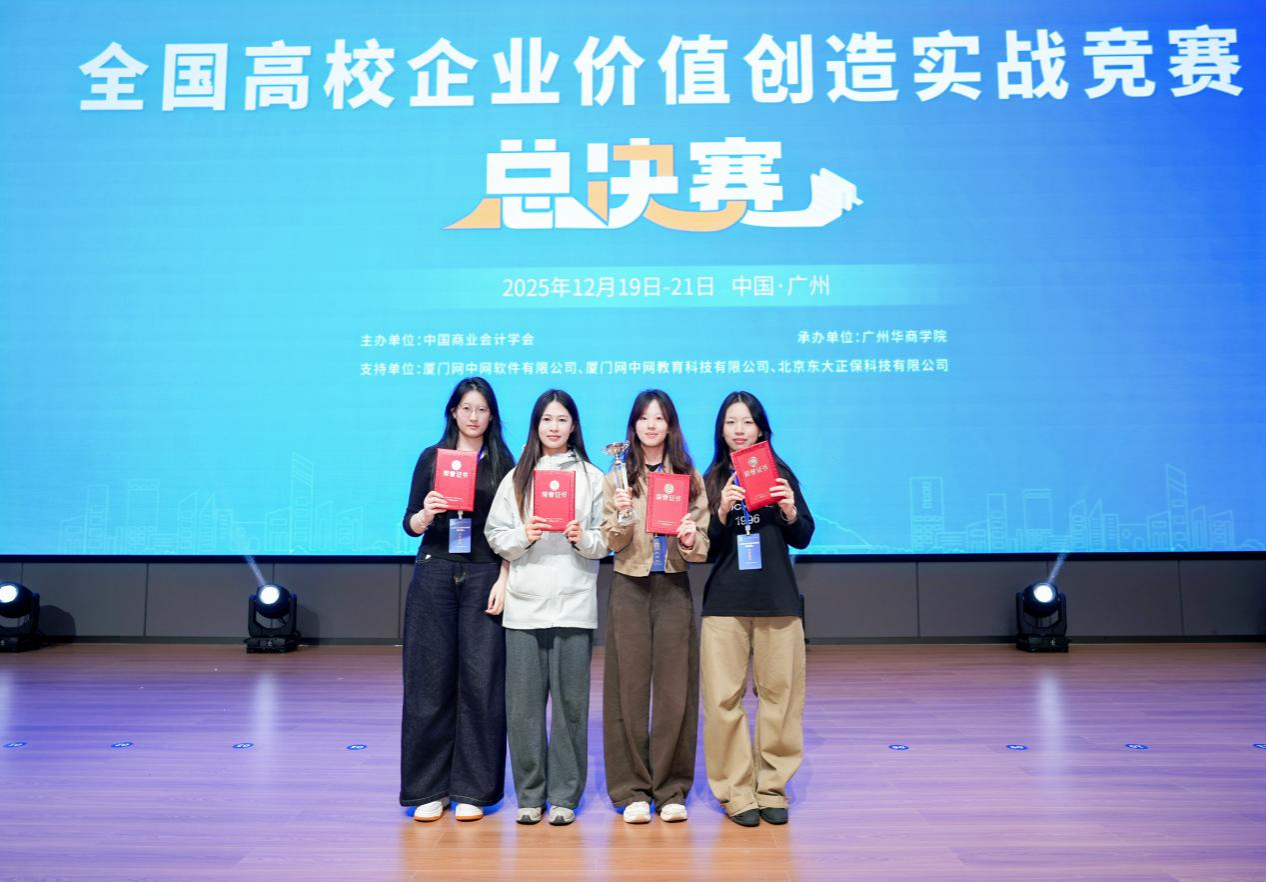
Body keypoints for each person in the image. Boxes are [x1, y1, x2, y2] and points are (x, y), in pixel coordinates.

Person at [486, 389, 607, 826]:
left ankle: (564, 796)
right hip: (524, 607)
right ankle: (530, 795)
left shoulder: (593, 477)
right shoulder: (517, 477)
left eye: (562, 419)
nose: (554, 427)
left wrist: (581, 537)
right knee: (523, 708)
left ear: (574, 426)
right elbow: (495, 534)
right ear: (536, 426)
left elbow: (606, 540)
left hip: (574, 605)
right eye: (546, 420)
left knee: (572, 707)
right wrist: (524, 534)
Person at [400, 376, 516, 822]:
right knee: (429, 680)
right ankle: (428, 788)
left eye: (482, 410)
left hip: (485, 572)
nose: (473, 417)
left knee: (482, 683)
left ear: (492, 416)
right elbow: (408, 524)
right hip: (435, 569)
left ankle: (473, 789)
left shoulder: (503, 463)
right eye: (466, 408)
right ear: (453, 411)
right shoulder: (432, 458)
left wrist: (504, 577)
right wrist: (425, 514)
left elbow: (510, 529)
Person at [700, 391, 814, 827]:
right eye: (731, 422)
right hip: (725, 603)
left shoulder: (780, 473)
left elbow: (803, 536)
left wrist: (788, 510)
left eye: (747, 422)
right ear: (721, 430)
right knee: (722, 701)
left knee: (780, 698)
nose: (739, 430)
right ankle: (736, 792)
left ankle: (772, 788)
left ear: (761, 428)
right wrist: (721, 510)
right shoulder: (711, 478)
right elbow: (705, 550)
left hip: (777, 600)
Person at [601, 389, 710, 824]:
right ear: (634, 425)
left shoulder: (688, 475)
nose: (651, 425)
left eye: (659, 418)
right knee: (626, 690)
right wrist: (622, 515)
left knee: (674, 691)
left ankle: (670, 789)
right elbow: (610, 541)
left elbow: (702, 543)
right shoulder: (618, 476)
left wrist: (690, 537)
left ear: (670, 425)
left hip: (674, 587)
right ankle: (631, 790)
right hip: (630, 584)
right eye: (644, 418)